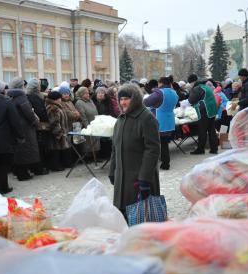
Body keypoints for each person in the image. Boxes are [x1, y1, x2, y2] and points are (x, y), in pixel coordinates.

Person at [109, 83, 160, 219]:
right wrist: (112, 170)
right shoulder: (120, 120)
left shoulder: (146, 118)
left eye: (127, 98)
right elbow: (115, 148)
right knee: (123, 217)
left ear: (135, 98)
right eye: (121, 99)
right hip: (122, 179)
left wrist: (144, 178)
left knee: (142, 220)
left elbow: (153, 150)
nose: (123, 102)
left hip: (139, 180)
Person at [8, 77, 41, 181]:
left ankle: (20, 172)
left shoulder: (12, 97)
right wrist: (36, 122)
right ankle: (23, 174)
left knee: (20, 150)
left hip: (17, 126)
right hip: (25, 128)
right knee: (25, 150)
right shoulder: (22, 97)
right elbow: (29, 113)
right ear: (21, 86)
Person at [144, 76, 179, 170]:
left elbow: (146, 102)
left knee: (153, 143)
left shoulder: (159, 92)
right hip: (169, 120)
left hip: (158, 120)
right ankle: (165, 163)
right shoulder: (174, 92)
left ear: (161, 83)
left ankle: (153, 163)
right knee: (164, 143)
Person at [26, 77, 50, 175]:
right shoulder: (35, 97)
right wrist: (46, 118)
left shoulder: (28, 96)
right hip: (40, 126)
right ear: (36, 87)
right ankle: (39, 168)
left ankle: (35, 168)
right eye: (39, 85)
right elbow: (40, 112)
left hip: (33, 126)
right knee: (40, 148)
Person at [188, 83, 219, 155]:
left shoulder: (198, 88)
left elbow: (191, 100)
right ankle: (214, 148)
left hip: (205, 110)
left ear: (192, 82)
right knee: (211, 130)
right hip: (212, 110)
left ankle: (200, 149)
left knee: (202, 130)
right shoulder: (206, 87)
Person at [45, 91, 70, 171]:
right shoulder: (53, 108)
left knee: (59, 149)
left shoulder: (57, 106)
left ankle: (60, 164)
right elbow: (55, 122)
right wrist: (59, 133)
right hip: (56, 133)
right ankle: (55, 166)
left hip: (61, 132)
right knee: (55, 150)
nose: (60, 100)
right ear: (55, 99)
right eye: (59, 98)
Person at [75, 86, 100, 155]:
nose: (87, 94)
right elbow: (82, 116)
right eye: (85, 93)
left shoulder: (90, 100)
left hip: (94, 123)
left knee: (95, 141)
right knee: (88, 141)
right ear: (81, 94)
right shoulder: (79, 103)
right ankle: (87, 156)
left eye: (88, 93)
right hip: (87, 125)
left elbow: (95, 110)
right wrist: (87, 126)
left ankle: (95, 155)